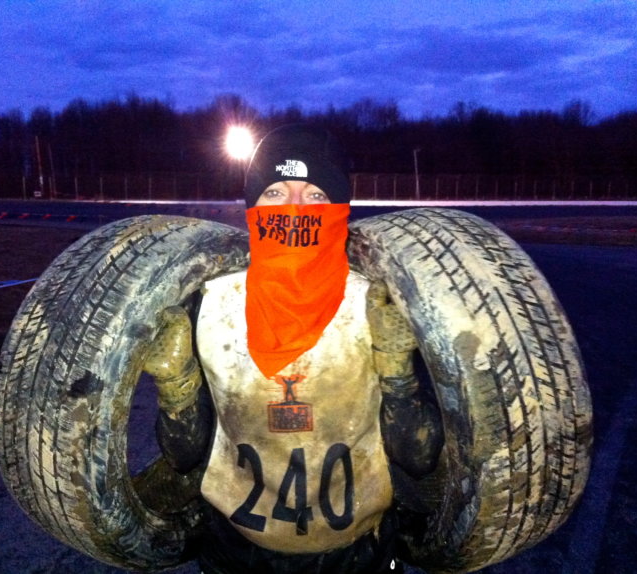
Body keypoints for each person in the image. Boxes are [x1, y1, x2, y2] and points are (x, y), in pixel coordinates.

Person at [144, 124, 443, 574]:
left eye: (316, 196)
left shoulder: (377, 303)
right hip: (234, 554)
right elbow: (186, 456)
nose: (295, 208)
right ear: (253, 206)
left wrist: (399, 374)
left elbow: (418, 459)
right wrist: (176, 386)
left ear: (340, 206)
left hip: (357, 557)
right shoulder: (210, 305)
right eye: (275, 193)